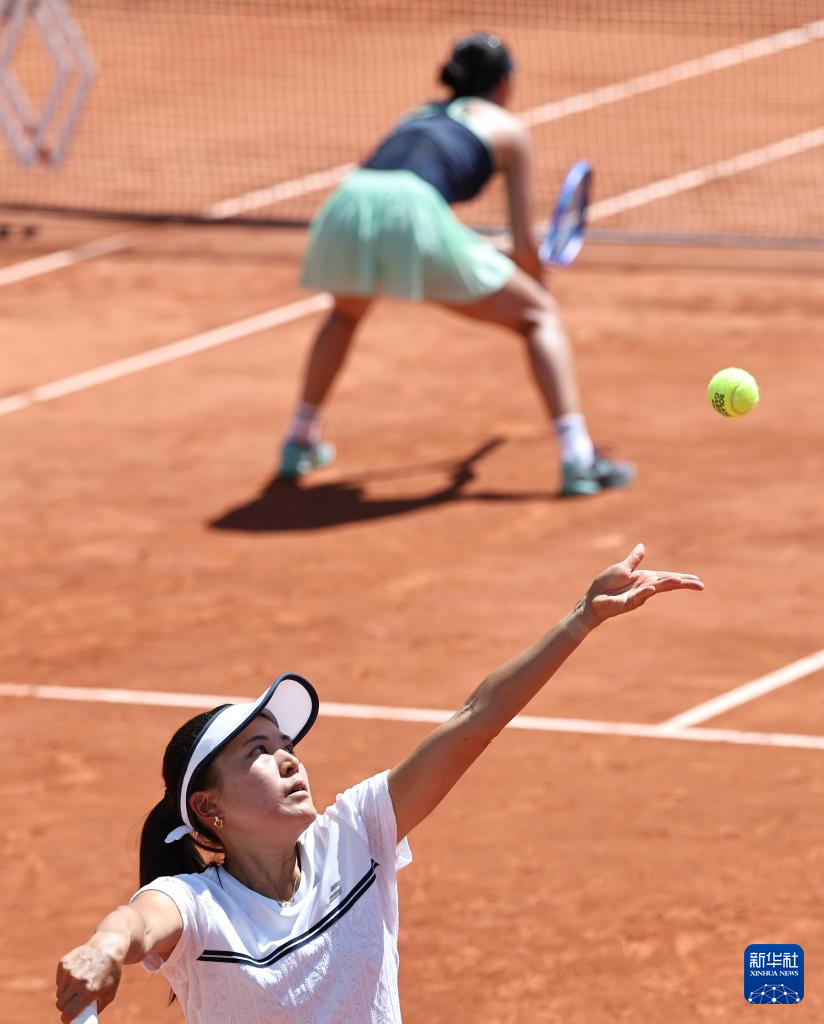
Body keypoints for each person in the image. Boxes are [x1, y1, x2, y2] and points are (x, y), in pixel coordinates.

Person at [56, 544, 702, 1022]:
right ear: (208, 806)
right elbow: (136, 923)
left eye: (286, 747)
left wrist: (580, 619)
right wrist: (104, 949)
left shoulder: (357, 834)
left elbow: (477, 716)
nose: (289, 761)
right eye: (259, 752)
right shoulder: (197, 905)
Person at [278, 31, 634, 497]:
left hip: (349, 202)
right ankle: (579, 459)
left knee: (345, 313)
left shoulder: (416, 115)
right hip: (413, 211)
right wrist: (532, 278)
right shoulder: (509, 130)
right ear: (504, 82)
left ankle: (300, 438)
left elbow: (401, 190)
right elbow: (522, 244)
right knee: (539, 315)